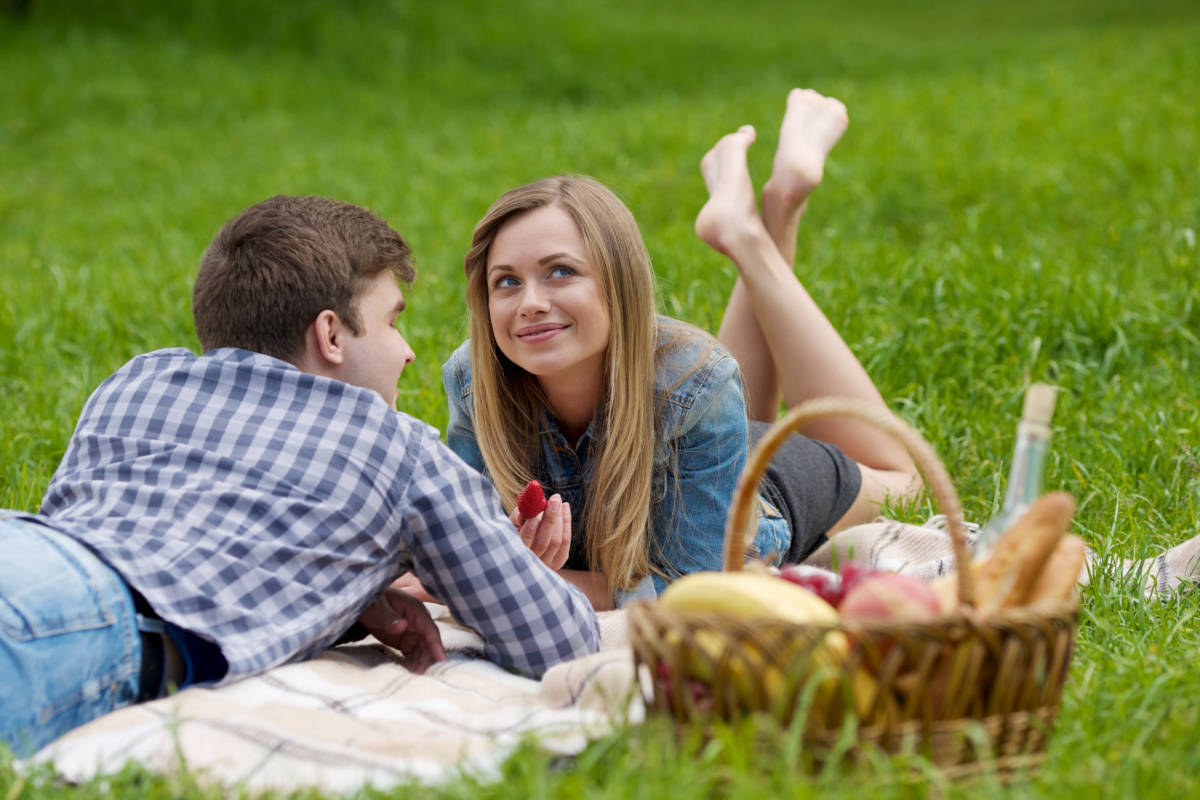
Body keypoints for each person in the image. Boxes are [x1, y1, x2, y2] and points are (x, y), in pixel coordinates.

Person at [0, 195, 600, 756]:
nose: (408, 351)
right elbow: (558, 641)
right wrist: (508, 568)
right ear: (331, 334)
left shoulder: (138, 380)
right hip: (78, 622)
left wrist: (351, 599)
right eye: (393, 322)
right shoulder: (395, 446)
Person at [439, 89, 923, 610]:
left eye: (561, 272)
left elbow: (691, 591)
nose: (530, 303)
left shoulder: (697, 386)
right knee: (704, 385)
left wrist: (517, 579)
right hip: (698, 431)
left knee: (907, 478)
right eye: (505, 282)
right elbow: (461, 548)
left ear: (618, 281)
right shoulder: (475, 377)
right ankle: (761, 211)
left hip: (771, 484)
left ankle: (764, 218)